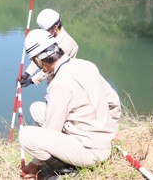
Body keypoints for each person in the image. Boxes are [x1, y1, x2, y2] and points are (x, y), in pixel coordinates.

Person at [19, 29, 121, 179]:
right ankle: (69, 159)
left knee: (26, 136)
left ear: (39, 59)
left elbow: (51, 131)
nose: (39, 67)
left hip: (90, 151)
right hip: (102, 140)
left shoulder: (60, 84)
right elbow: (113, 100)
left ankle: (66, 170)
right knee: (37, 108)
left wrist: (34, 165)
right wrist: (111, 129)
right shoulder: (86, 65)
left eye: (35, 61)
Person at [20, 9, 78, 88]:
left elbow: (49, 68)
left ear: (55, 27)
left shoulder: (66, 44)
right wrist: (27, 74)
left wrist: (32, 80)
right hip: (52, 83)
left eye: (45, 31)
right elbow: (40, 57)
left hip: (63, 85)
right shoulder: (49, 38)